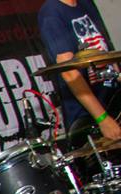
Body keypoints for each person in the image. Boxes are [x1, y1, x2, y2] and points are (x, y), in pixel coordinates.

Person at [38, 0, 120, 143]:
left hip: (112, 102)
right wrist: (102, 118)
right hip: (88, 118)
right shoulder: (51, 13)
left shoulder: (86, 3)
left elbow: (105, 51)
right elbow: (69, 73)